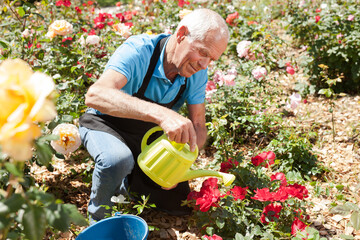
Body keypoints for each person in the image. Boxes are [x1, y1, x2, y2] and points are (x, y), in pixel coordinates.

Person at [79, 8, 229, 223]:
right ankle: (98, 220)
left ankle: (125, 185)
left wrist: (180, 165)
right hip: (104, 124)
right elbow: (96, 95)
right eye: (203, 52)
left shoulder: (197, 72)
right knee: (117, 160)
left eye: (212, 59)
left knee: (176, 201)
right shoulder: (139, 50)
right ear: (181, 34)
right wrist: (161, 114)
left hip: (145, 137)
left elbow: (198, 124)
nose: (204, 65)